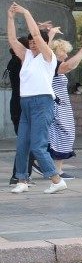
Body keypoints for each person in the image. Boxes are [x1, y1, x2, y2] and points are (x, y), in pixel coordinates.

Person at [7, 3, 67, 194]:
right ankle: (22, 180)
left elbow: (36, 32)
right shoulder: (26, 57)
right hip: (26, 103)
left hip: (43, 103)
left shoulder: (48, 57)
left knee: (38, 145)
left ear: (43, 42)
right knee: (22, 143)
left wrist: (25, 12)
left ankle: (56, 180)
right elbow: (11, 39)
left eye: (36, 40)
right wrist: (10, 17)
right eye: (30, 40)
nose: (32, 42)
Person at [47, 33, 82, 177]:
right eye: (64, 51)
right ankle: (55, 170)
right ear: (56, 51)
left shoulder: (56, 66)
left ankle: (55, 168)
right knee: (60, 135)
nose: (66, 54)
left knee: (62, 135)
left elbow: (71, 64)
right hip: (57, 106)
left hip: (62, 106)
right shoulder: (52, 65)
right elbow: (71, 64)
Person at [7, 34, 34, 186]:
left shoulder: (14, 62)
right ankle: (19, 175)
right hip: (23, 105)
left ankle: (21, 174)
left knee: (27, 142)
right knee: (27, 143)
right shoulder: (21, 63)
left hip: (16, 105)